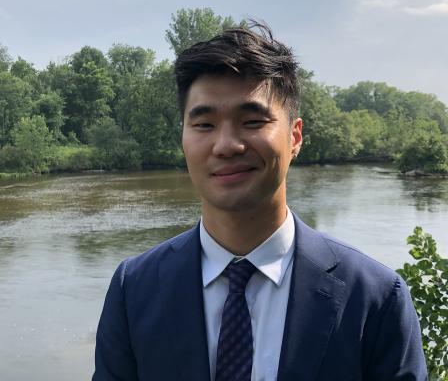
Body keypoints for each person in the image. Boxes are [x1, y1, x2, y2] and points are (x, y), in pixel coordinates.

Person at [93, 23, 427, 380]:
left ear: (295, 136)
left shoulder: (373, 297)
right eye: (204, 125)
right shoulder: (136, 288)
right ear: (183, 138)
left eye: (252, 121)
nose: (226, 145)